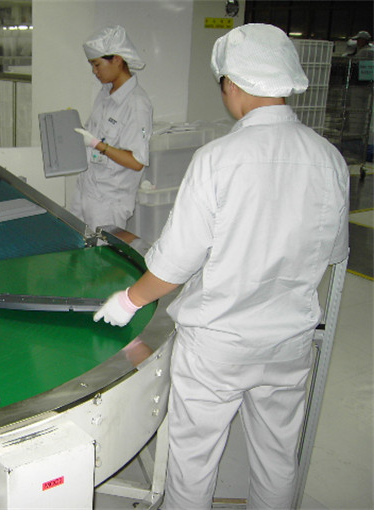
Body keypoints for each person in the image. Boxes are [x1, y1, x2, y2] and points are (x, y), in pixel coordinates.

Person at [94, 24, 349, 509]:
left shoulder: (219, 159)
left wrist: (128, 300)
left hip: (218, 345)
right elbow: (333, 252)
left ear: (232, 83)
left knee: (194, 461)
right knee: (277, 458)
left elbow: (175, 264)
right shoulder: (329, 159)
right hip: (288, 343)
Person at [70, 25, 153, 231]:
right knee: (76, 244)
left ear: (116, 59)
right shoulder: (105, 93)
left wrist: (97, 144)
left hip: (108, 202)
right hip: (86, 189)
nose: (94, 71)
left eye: (97, 64)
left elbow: (136, 162)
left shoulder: (136, 104)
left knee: (101, 252)